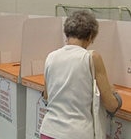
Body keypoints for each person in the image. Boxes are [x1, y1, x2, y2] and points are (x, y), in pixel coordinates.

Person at [39, 10, 122, 139]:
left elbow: (46, 95)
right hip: (77, 133)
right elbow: (110, 105)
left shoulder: (51, 57)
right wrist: (116, 97)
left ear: (67, 33)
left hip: (49, 131)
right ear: (90, 36)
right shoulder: (92, 57)